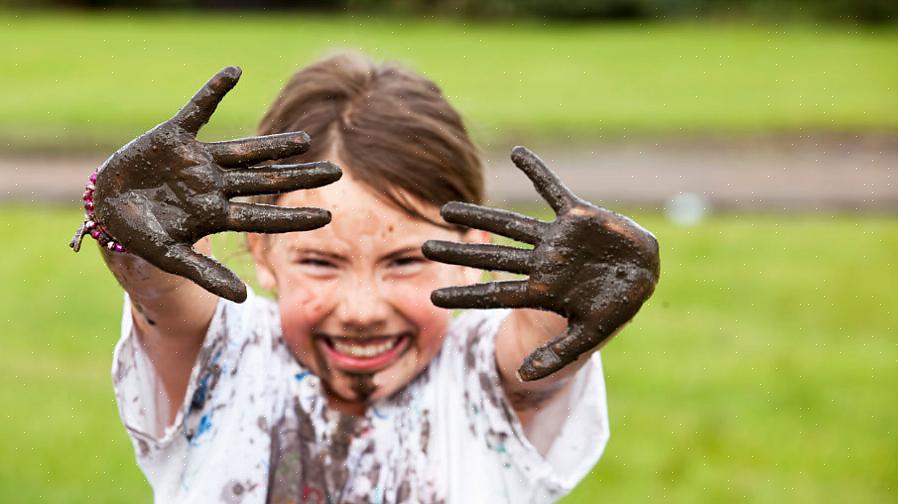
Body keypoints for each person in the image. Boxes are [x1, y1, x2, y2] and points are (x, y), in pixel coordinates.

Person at [76, 52, 659, 503]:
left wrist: (588, 297)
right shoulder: (223, 358)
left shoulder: (487, 385)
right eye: (319, 262)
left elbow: (545, 343)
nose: (360, 310)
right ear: (260, 250)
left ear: (472, 252)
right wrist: (131, 237)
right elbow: (163, 295)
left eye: (404, 261)